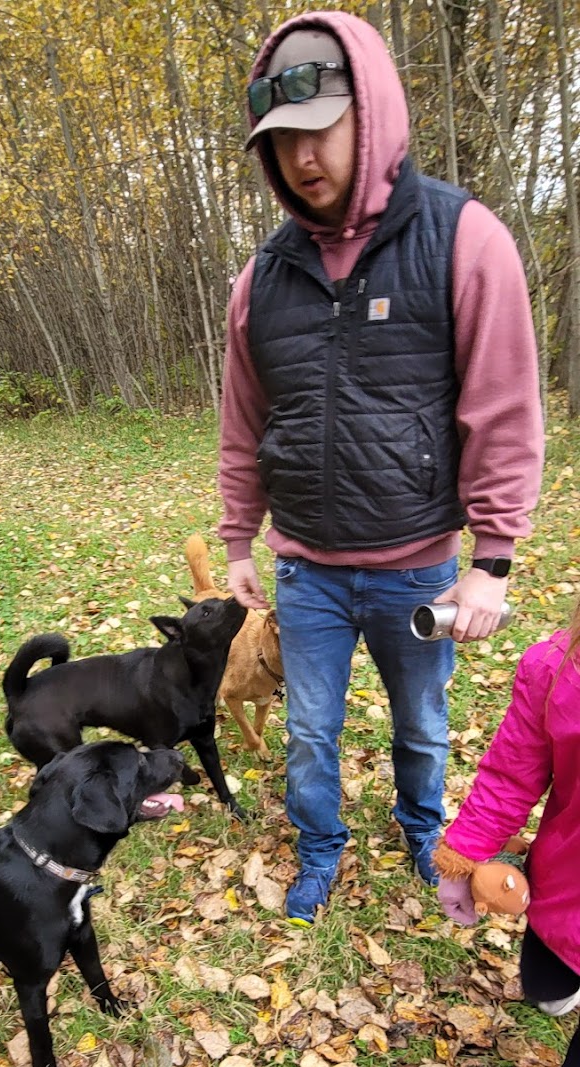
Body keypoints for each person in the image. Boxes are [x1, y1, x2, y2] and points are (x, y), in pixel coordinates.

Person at [217, 12, 543, 923]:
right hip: (308, 570)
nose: (302, 155)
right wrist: (239, 535)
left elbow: (504, 406)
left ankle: (420, 831)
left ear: (373, 110)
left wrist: (495, 556)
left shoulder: (464, 239)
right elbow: (244, 419)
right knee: (311, 733)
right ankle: (320, 849)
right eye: (281, 140)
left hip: (419, 567)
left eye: (320, 126)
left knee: (423, 726)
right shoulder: (262, 277)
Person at [434, 610, 580, 1067]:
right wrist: (463, 860)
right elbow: (510, 775)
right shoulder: (557, 668)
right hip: (567, 879)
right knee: (545, 985)